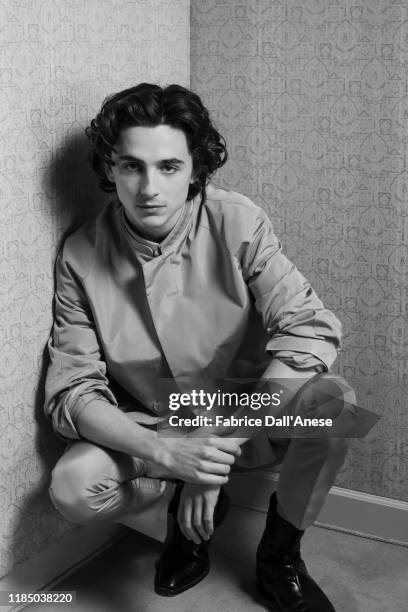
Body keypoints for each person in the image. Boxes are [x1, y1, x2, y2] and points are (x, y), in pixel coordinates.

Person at [44, 83, 356, 612]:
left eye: (168, 166)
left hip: (249, 407)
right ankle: (181, 525)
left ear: (195, 169)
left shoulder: (238, 220)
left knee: (334, 403)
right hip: (156, 418)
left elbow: (307, 330)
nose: (148, 188)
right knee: (73, 487)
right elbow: (73, 391)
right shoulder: (79, 253)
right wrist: (169, 454)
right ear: (109, 168)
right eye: (130, 167)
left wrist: (214, 456)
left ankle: (280, 557)